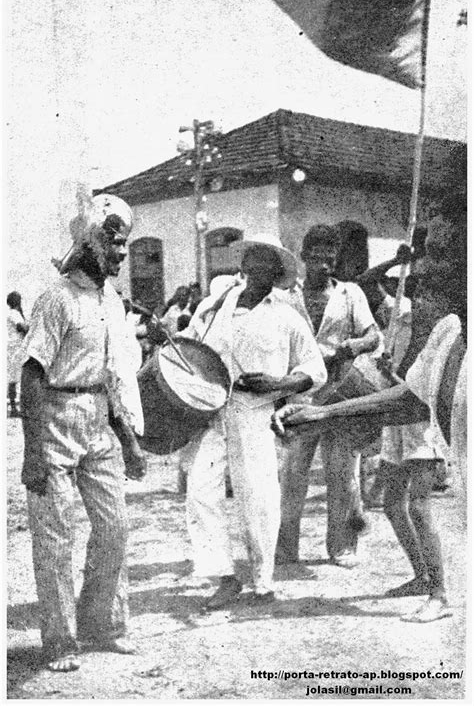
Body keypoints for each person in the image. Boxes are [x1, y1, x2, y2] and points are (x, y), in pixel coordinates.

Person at [273, 193, 467, 623]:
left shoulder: (439, 319)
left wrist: (354, 367)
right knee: (394, 502)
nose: (420, 276)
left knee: (414, 503)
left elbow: (414, 394)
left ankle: (439, 592)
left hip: (412, 413)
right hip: (375, 403)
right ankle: (421, 576)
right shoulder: (405, 311)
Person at [21, 193, 147, 672]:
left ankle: (104, 625)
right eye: (112, 243)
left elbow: (113, 374)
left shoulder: (110, 300)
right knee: (55, 537)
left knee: (114, 527)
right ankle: (60, 640)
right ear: (88, 243)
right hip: (55, 413)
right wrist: (33, 452)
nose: (120, 254)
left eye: (124, 245)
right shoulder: (57, 299)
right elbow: (31, 376)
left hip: (100, 415)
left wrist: (129, 441)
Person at [180, 233, 327, 609]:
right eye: (251, 258)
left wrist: (280, 383)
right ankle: (224, 577)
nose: (256, 265)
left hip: (254, 412)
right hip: (211, 411)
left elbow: (314, 369)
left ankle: (263, 581)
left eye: (266, 260)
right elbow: (187, 348)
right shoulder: (213, 307)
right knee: (200, 492)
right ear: (243, 264)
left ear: (277, 271)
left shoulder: (286, 316)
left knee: (259, 498)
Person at [278, 224, 380, 567]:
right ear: (305, 257)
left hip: (341, 392)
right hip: (301, 395)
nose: (324, 264)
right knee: (292, 474)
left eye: (330, 257)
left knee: (343, 473)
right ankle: (285, 547)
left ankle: (342, 546)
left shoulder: (349, 294)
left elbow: (373, 335)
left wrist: (356, 344)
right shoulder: (287, 296)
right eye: (317, 257)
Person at [7, 291, 29, 417]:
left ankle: (15, 407)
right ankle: (16, 407)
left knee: (13, 378)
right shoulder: (14, 314)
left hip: (14, 348)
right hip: (16, 348)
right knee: (17, 378)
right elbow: (22, 328)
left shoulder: (13, 313)